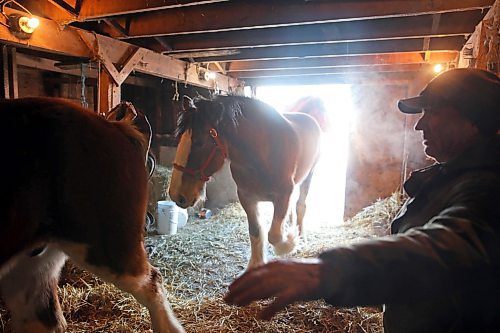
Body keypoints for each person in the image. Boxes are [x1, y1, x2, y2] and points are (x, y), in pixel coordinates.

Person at [224, 68, 500, 332]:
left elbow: (449, 246)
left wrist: (328, 272)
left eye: (432, 112)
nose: (420, 124)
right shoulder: (452, 175)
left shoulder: (487, 185)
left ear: (471, 118)